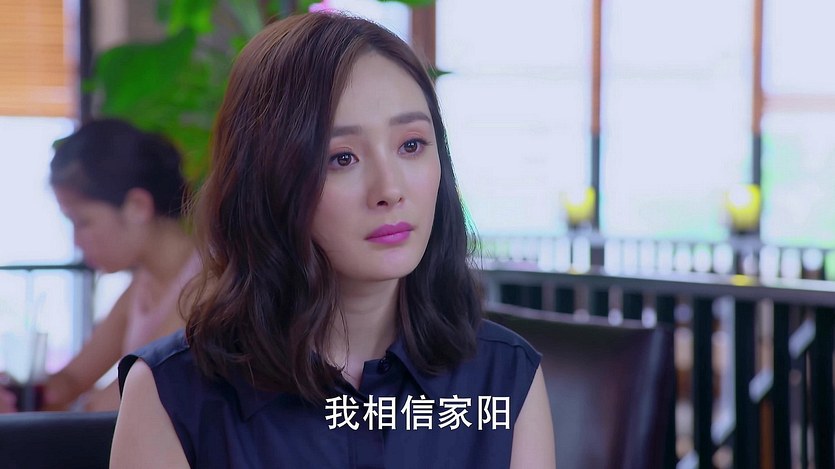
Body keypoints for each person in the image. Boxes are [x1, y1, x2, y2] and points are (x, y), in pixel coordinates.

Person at [111, 12, 555, 468]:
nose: (389, 190)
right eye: (342, 158)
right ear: (268, 181)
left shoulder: (505, 378)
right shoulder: (172, 394)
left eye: (411, 145)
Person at [0, 119, 199, 413]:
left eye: (83, 222)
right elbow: (71, 380)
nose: (77, 241)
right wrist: (19, 393)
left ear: (137, 206)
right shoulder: (144, 284)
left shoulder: (203, 285)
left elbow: (122, 401)